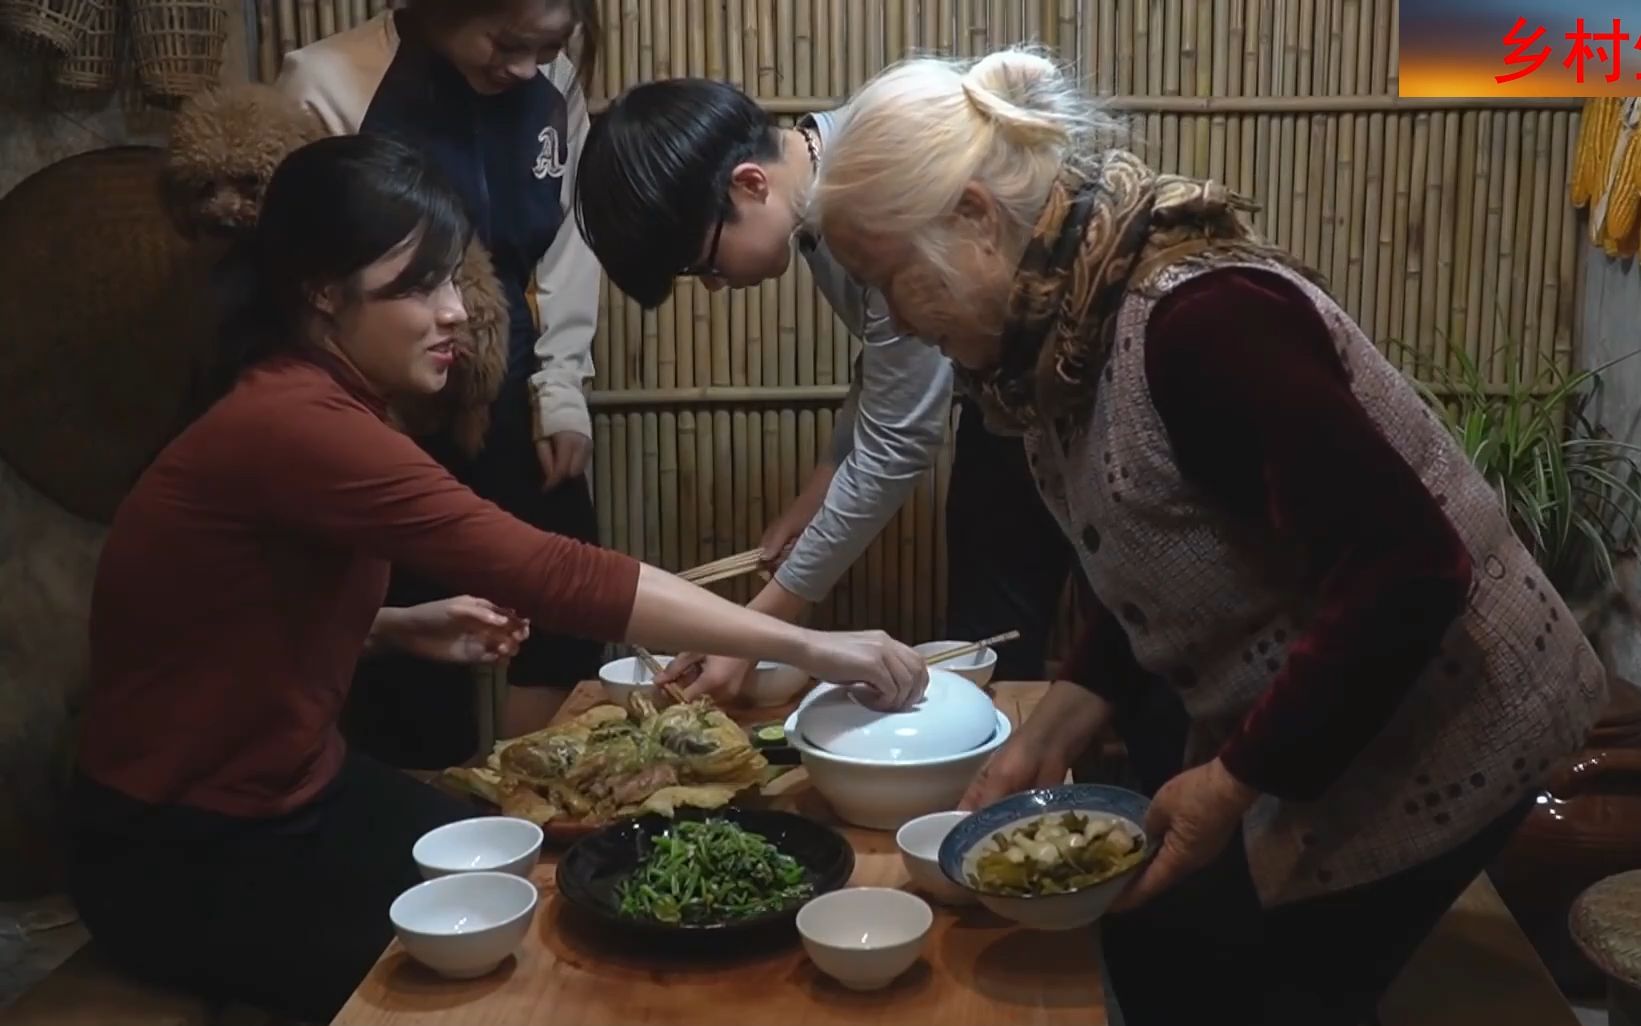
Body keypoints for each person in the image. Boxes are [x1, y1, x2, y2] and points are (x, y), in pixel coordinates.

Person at [809, 47, 1608, 1025]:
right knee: (1159, 951)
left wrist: (1232, 783)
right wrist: (1066, 715)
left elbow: (1410, 567)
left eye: (885, 278)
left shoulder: (1201, 323)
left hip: (1457, 721)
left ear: (975, 219)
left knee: (1259, 992)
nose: (885, 316)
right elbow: (1149, 547)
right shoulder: (1056, 347)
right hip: (1336, 708)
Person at [65, 135, 927, 1024]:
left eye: (451, 279)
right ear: (321, 291)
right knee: (507, 975)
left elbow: (225, 621)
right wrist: (809, 641)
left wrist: (396, 626)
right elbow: (552, 569)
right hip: (183, 847)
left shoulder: (307, 399)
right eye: (416, 286)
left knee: (555, 882)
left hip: (303, 790)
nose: (455, 313)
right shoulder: (297, 423)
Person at [574, 78, 1083, 698]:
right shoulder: (821, 187)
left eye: (702, 265)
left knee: (1120, 653)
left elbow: (897, 439)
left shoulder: (872, 185)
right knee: (993, 648)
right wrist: (810, 502)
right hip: (1002, 411)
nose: (711, 286)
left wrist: (755, 628)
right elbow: (884, 371)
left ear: (749, 185)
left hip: (1073, 396)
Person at [275, 0, 606, 763]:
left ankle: (536, 806)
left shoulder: (550, 82)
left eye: (548, 45)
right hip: (384, 406)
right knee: (416, 639)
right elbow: (302, 270)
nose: (526, 67)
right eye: (506, 41)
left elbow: (568, 244)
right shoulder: (327, 82)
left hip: (512, 381)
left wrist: (561, 387)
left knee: (566, 610)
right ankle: (436, 835)